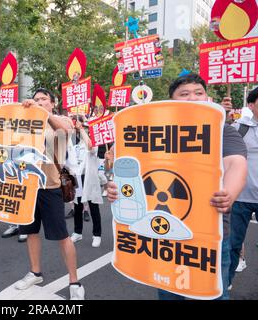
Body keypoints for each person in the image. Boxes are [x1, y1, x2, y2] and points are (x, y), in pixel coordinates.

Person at [105, 73, 248, 300]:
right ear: (171, 101)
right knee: (169, 292)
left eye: (198, 93)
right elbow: (135, 174)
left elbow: (236, 164)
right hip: (162, 236)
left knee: (210, 294)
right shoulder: (151, 132)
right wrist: (117, 191)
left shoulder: (222, 131)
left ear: (208, 98)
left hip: (208, 236)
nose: (193, 98)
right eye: (184, 94)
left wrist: (229, 193)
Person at [15, 88, 85, 300]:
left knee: (62, 236)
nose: (38, 102)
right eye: (35, 99)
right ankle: (35, 272)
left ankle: (74, 282)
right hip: (27, 186)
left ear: (52, 103)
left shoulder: (60, 120)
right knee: (31, 231)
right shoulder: (25, 121)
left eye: (43, 99)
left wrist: (41, 112)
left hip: (50, 186)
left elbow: (65, 131)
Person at [228, 86, 258, 289]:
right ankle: (224, 283)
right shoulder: (239, 128)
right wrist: (224, 116)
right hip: (240, 198)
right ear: (251, 105)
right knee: (232, 245)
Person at [69, 117, 103, 248]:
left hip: (89, 179)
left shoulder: (93, 144)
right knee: (77, 207)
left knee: (93, 206)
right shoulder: (76, 146)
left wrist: (82, 129)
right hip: (77, 178)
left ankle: (97, 235)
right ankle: (78, 232)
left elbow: (90, 147)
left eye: (87, 129)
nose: (84, 131)